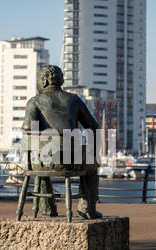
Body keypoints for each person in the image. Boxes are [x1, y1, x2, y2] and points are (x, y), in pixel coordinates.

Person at [22, 65, 102, 219]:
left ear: (44, 81)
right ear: (60, 80)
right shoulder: (74, 100)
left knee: (40, 168)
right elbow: (93, 126)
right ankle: (86, 208)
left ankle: (47, 209)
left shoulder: (34, 102)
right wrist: (90, 149)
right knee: (91, 165)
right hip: (73, 159)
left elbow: (28, 128)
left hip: (48, 158)